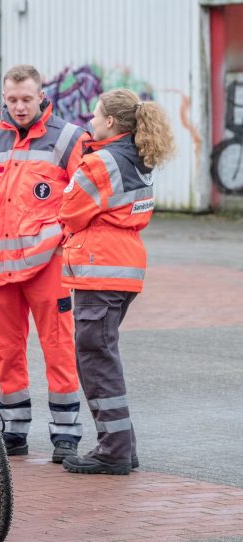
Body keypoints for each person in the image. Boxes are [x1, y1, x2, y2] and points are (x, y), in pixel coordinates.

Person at [0, 64, 88, 463]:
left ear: (41, 96)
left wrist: (63, 237)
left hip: (49, 261)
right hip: (0, 265)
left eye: (26, 99)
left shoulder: (68, 139)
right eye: (12, 99)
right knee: (6, 347)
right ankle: (14, 430)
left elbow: (85, 195)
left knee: (59, 346)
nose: (19, 106)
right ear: (4, 97)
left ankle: (66, 434)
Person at [60, 89, 175, 475]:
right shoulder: (137, 157)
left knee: (96, 359)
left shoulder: (101, 162)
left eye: (95, 115)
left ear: (110, 121)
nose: (90, 121)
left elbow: (70, 211)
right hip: (122, 267)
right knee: (102, 354)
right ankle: (123, 445)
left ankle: (113, 450)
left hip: (100, 268)